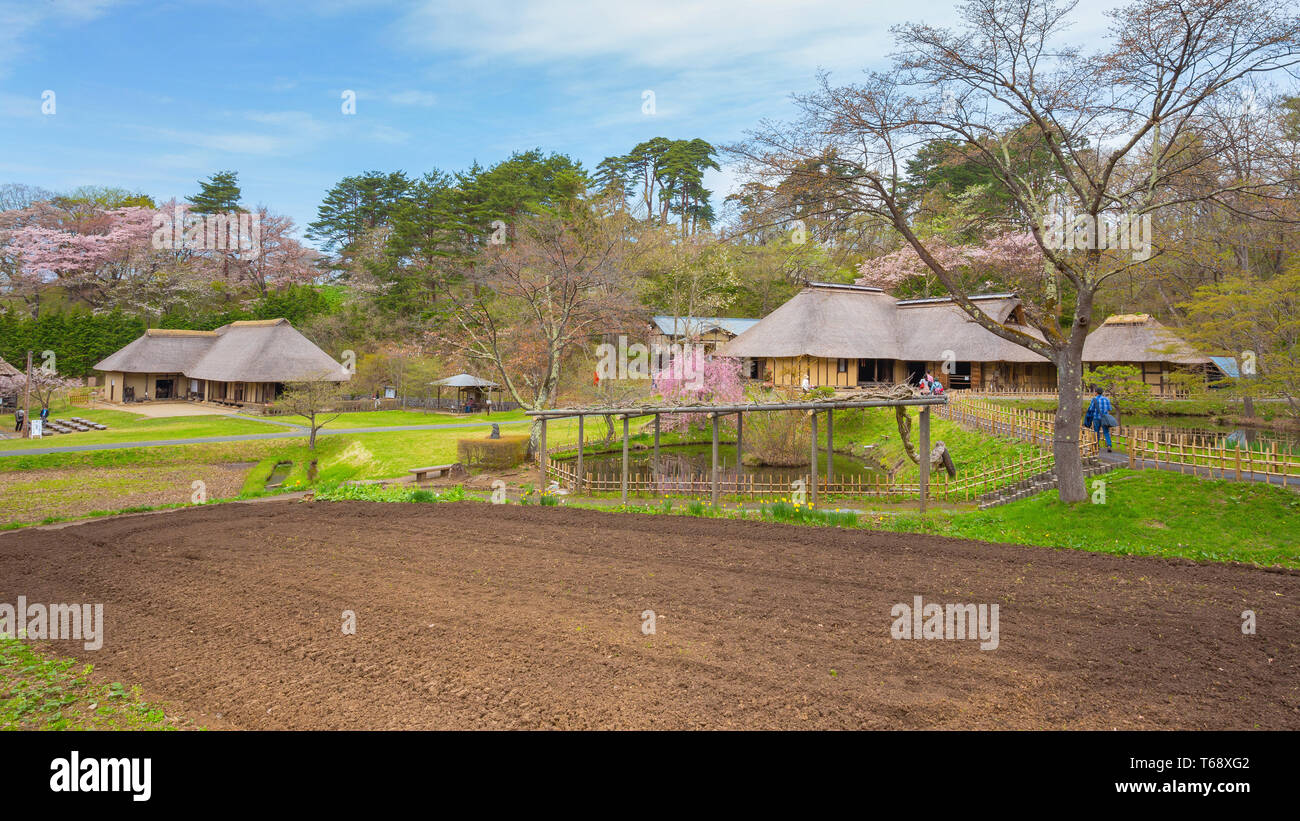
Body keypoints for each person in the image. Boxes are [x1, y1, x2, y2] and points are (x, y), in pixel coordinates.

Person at [1085, 386, 1114, 452]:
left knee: (1096, 431)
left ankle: (1097, 445)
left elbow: (1091, 409)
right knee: (1106, 432)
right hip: (1105, 418)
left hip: (1096, 418)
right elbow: (1110, 409)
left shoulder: (1094, 399)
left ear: (1096, 392)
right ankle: (1109, 445)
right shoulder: (1106, 399)